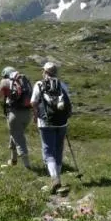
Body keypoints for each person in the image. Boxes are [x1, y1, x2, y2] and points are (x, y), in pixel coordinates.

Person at [30, 62, 71, 194]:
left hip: (45, 122)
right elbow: (68, 104)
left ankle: (55, 179)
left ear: (45, 72)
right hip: (62, 122)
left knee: (48, 151)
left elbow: (33, 102)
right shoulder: (62, 85)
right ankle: (58, 178)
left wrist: (36, 116)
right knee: (59, 148)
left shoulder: (39, 84)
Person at [0, 66, 32, 168]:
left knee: (18, 136)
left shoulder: (5, 81)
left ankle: (27, 165)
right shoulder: (23, 80)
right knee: (14, 133)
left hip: (15, 114)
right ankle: (13, 160)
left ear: (5, 74)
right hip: (27, 114)